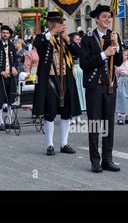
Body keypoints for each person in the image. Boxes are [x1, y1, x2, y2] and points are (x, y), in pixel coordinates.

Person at [80, 4, 123, 173]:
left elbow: (119, 62)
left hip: (110, 85)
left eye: (109, 17)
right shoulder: (88, 39)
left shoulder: (114, 36)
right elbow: (84, 64)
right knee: (95, 124)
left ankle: (107, 158)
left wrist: (117, 46)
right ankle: (94, 160)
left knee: (108, 124)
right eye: (104, 16)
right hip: (94, 86)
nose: (107, 19)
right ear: (97, 19)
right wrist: (104, 54)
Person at [33, 11, 82, 155]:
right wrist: (53, 32)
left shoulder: (66, 39)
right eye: (53, 22)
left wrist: (67, 39)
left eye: (58, 22)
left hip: (66, 78)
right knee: (50, 111)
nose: (57, 24)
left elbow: (79, 52)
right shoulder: (44, 38)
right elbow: (38, 43)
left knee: (67, 112)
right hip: (49, 79)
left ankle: (64, 143)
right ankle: (49, 144)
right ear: (48, 23)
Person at [0, 25, 18, 131]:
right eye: (3, 32)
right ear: (1, 34)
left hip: (10, 76)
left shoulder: (12, 45)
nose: (5, 34)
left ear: (10, 35)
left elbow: (15, 59)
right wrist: (0, 71)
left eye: (7, 33)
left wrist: (14, 67)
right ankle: (0, 122)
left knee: (10, 99)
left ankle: (9, 120)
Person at [70, 32, 86, 123]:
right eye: (77, 39)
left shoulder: (81, 48)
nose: (79, 40)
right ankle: (72, 116)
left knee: (81, 92)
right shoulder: (70, 48)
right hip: (73, 69)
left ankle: (79, 115)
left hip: (80, 69)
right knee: (74, 93)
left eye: (79, 39)